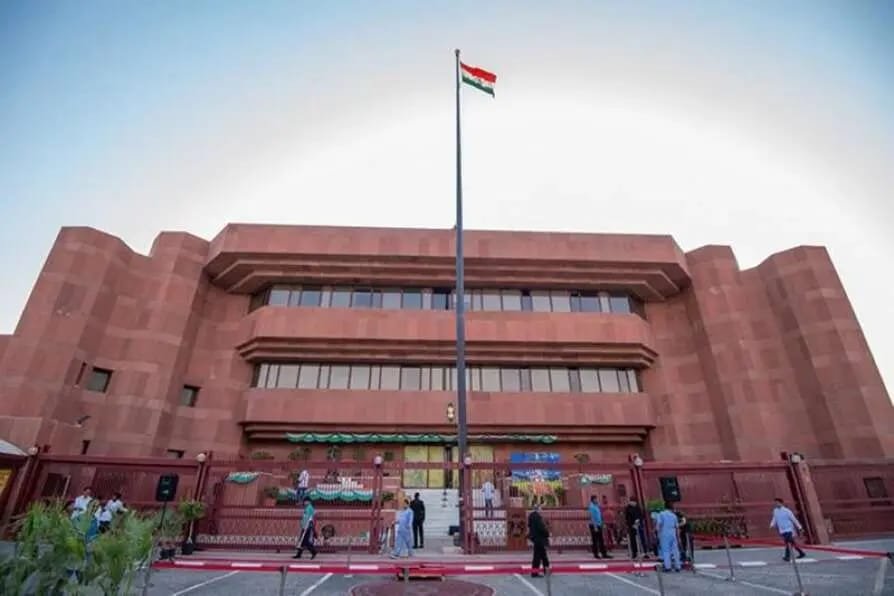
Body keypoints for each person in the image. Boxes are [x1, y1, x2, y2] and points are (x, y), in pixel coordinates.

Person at [656, 502, 682, 572]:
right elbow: (677, 527)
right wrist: (678, 537)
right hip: (673, 533)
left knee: (665, 550)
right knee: (675, 550)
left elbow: (659, 524)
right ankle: (678, 566)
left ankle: (668, 566)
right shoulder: (674, 516)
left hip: (664, 533)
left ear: (664, 507)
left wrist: (657, 534)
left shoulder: (661, 514)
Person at [527, 504, 550, 578]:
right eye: (540, 509)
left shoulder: (531, 516)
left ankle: (544, 570)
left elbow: (529, 526)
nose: (541, 510)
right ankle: (536, 573)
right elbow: (541, 528)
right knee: (539, 556)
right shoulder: (537, 517)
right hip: (539, 538)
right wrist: (547, 533)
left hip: (535, 538)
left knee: (541, 555)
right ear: (538, 509)